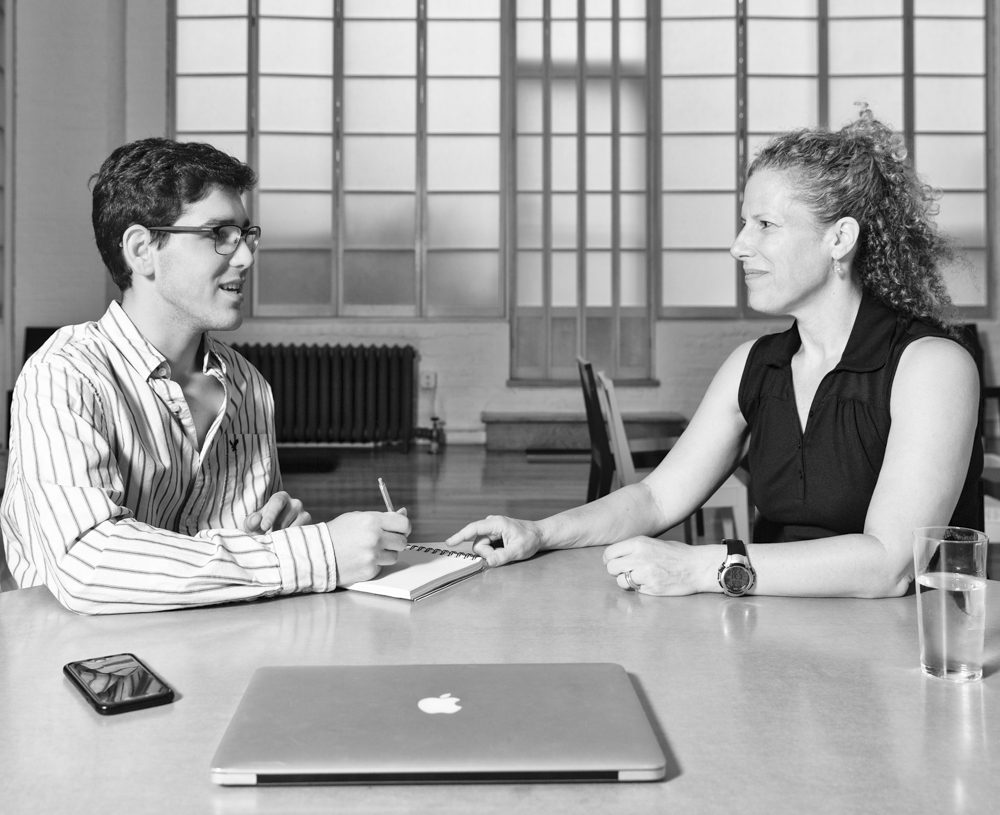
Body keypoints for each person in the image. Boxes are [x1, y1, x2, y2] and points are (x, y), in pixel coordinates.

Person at [448, 107, 983, 599]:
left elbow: (890, 564)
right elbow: (656, 498)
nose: (739, 245)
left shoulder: (932, 366)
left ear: (839, 238)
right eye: (744, 223)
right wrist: (540, 532)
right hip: (774, 635)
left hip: (906, 651)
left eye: (765, 225)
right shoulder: (755, 364)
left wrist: (705, 566)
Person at [0, 138, 410, 614]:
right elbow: (86, 564)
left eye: (245, 234)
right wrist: (314, 553)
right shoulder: (65, 374)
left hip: (220, 645)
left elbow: (246, 556)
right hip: (82, 653)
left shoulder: (248, 385)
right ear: (142, 250)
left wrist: (273, 536)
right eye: (219, 234)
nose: (245, 257)